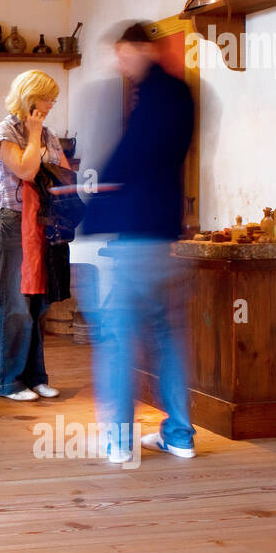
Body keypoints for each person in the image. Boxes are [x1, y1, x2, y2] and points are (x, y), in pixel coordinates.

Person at [84, 23, 196, 463]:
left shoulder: (152, 96)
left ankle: (117, 440)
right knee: (168, 337)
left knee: (116, 337)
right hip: (168, 233)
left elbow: (133, 156)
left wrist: (95, 194)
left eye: (124, 53)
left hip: (134, 236)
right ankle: (181, 435)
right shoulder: (180, 93)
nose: (120, 63)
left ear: (142, 48)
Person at [0, 70, 69, 401]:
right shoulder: (5, 130)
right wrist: (34, 134)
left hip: (42, 223)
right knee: (15, 303)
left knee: (37, 303)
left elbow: (65, 173)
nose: (51, 104)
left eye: (54, 99)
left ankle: (35, 377)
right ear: (30, 96)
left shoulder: (48, 133)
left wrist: (41, 136)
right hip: (12, 221)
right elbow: (26, 169)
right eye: (47, 98)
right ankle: (8, 381)